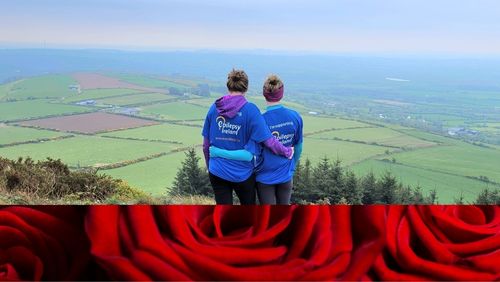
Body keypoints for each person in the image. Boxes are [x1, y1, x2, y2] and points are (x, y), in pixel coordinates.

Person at [202, 69, 294, 205]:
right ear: (246, 88)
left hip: (217, 170)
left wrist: (211, 166)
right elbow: (268, 141)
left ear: (228, 86)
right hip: (242, 174)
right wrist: (287, 151)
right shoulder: (250, 110)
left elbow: (206, 145)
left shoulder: (214, 108)